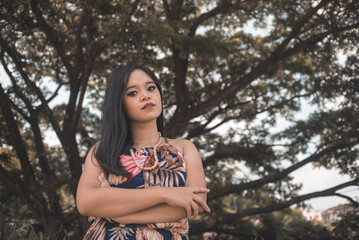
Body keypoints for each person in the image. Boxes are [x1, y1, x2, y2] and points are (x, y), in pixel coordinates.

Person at [76, 64, 210, 240]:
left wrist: (119, 214)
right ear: (119, 103)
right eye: (133, 92)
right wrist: (166, 194)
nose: (146, 95)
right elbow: (86, 202)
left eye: (151, 88)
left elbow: (196, 204)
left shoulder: (184, 149)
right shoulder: (104, 150)